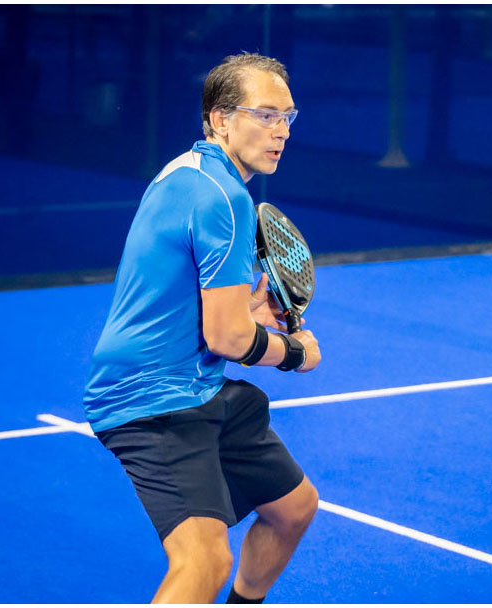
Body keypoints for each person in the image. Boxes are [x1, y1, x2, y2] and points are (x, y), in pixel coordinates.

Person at [83, 52, 320, 604]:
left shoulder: (192, 172)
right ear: (220, 119)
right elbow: (228, 340)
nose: (281, 131)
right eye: (265, 115)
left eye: (287, 116)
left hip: (198, 384)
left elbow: (211, 317)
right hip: (151, 398)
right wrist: (294, 352)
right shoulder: (224, 199)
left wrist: (248, 316)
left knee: (293, 509)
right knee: (206, 561)